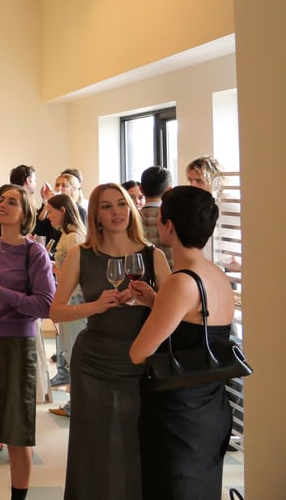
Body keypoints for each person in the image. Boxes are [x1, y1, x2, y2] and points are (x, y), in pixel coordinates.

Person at [49, 183, 170, 500]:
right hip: (93, 361)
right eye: (107, 206)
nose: (116, 211)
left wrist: (152, 300)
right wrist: (95, 306)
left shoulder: (153, 256)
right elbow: (56, 311)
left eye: (121, 204)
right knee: (92, 441)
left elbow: (175, 314)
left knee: (136, 438)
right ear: (96, 215)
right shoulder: (80, 254)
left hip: (139, 360)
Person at [128, 186, 235, 500]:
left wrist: (158, 304)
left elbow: (139, 353)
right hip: (212, 406)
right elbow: (198, 329)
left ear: (169, 225)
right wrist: (156, 302)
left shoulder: (181, 281)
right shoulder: (216, 275)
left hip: (178, 415)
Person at [0, 185, 55, 500]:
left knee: (17, 432)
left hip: (17, 347)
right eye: (0, 200)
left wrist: (0, 293)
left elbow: (45, 305)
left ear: (26, 214)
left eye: (12, 202)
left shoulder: (34, 253)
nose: (3, 205)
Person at [43, 193, 87, 408]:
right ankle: (75, 401)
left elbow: (77, 274)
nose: (48, 217)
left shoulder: (73, 237)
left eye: (51, 212)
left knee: (74, 350)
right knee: (70, 350)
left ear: (62, 211)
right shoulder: (67, 235)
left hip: (74, 299)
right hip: (69, 297)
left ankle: (77, 403)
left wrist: (54, 269)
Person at [140, 166, 173, 268]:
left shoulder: (132, 218)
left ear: (141, 189)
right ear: (169, 190)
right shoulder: (174, 217)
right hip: (172, 274)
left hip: (140, 274)